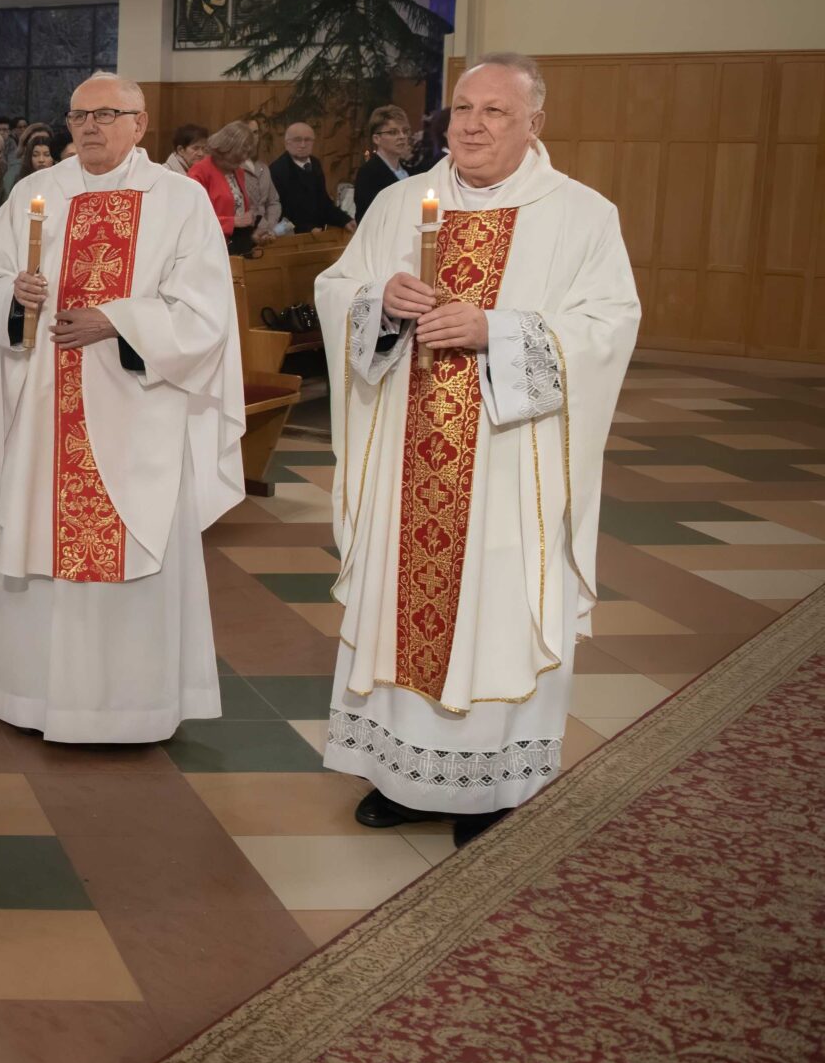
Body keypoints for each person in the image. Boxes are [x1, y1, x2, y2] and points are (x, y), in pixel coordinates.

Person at [314, 55, 639, 846]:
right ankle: (401, 776)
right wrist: (379, 303)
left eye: (496, 110)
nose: (473, 124)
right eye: (463, 108)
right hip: (407, 456)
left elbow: (607, 327)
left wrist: (495, 329)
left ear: (535, 123)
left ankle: (490, 785)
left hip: (507, 465)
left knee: (493, 611)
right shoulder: (398, 204)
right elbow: (337, 288)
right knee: (402, 604)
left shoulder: (581, 215)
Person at [0, 71, 245, 743]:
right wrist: (12, 297)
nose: (89, 126)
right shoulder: (37, 192)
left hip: (138, 418)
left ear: (139, 124)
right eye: (79, 115)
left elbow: (204, 314)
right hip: (45, 414)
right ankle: (32, 697)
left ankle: (130, 710)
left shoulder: (178, 200)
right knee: (43, 544)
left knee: (133, 552)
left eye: (106, 114)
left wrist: (117, 322)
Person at [188, 119, 283, 251]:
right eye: (240, 153)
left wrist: (255, 234)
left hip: (236, 248)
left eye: (246, 154)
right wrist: (232, 222)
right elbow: (193, 219)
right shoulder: (199, 172)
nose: (243, 158)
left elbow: (241, 213)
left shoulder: (237, 171)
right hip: (210, 249)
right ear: (225, 148)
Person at [271, 118, 346, 232]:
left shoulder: (315, 164)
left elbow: (323, 201)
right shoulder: (277, 170)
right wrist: (307, 229)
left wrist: (344, 220)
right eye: (297, 140)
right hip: (292, 235)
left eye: (307, 140)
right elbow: (280, 210)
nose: (303, 145)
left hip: (318, 232)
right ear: (287, 144)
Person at [351, 103, 421, 221]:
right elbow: (368, 218)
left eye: (405, 131)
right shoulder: (368, 173)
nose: (402, 136)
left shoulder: (409, 172)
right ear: (376, 139)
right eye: (393, 132)